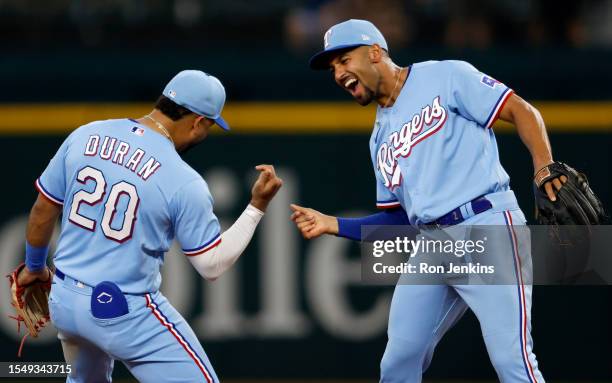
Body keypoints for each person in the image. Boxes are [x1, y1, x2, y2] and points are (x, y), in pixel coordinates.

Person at [291, 19, 565, 382]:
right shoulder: (379, 140)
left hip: (487, 225)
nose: (338, 73)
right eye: (333, 68)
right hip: (432, 243)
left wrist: (543, 165)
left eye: (343, 60)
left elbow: (522, 111)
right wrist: (334, 224)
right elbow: (400, 221)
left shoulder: (445, 75)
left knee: (511, 360)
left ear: (375, 52)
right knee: (398, 362)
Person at [16, 70, 282, 382]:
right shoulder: (184, 180)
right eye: (208, 126)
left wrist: (34, 267)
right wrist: (257, 207)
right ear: (197, 122)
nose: (204, 134)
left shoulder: (86, 134)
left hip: (65, 300)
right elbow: (212, 264)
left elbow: (43, 210)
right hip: (121, 310)